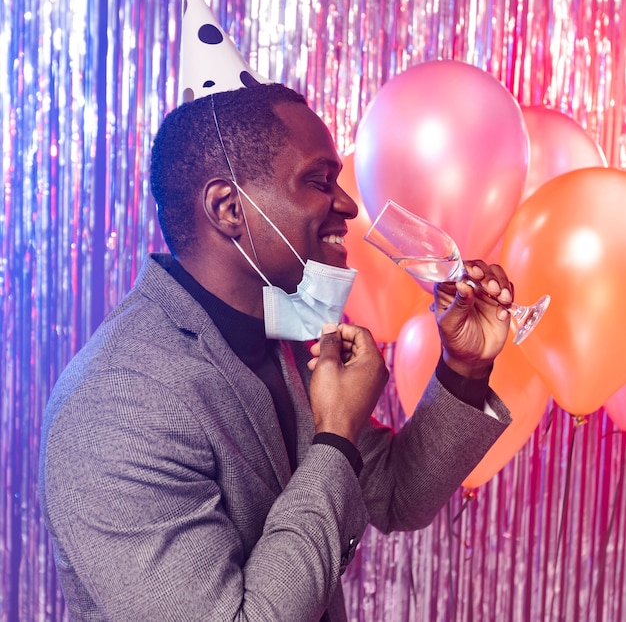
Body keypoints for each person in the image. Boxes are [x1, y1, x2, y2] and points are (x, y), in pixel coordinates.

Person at [39, 83, 513, 621]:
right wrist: (334, 437)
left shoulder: (287, 340)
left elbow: (400, 496)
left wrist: (464, 369)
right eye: (318, 181)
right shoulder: (117, 406)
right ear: (229, 208)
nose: (349, 205)